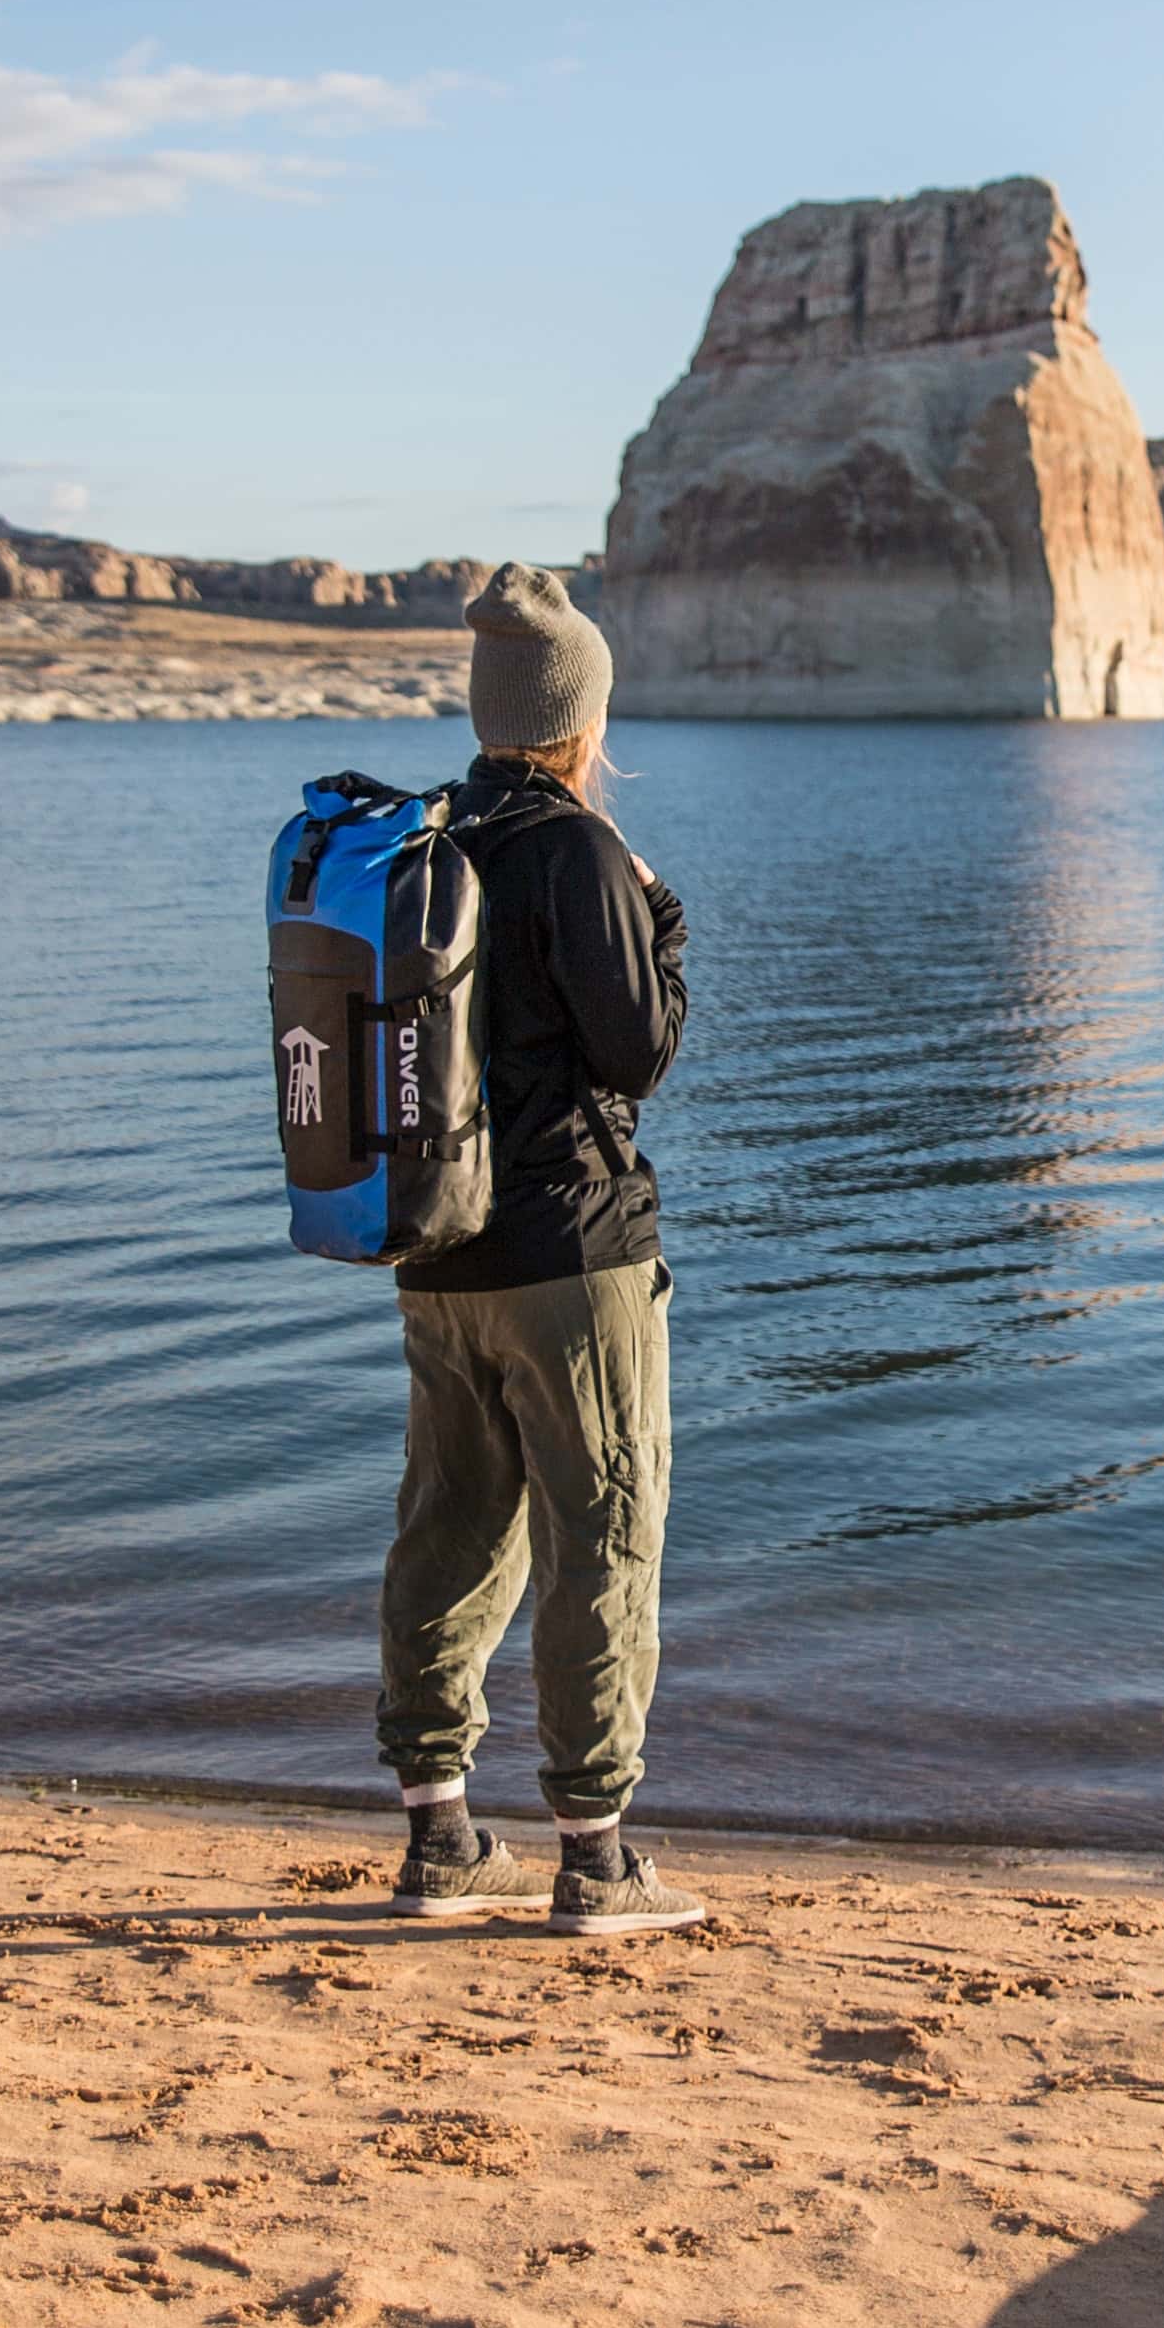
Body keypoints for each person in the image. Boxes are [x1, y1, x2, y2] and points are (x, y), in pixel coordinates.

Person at [378, 564, 702, 1936]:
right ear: (579, 717)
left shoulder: (421, 841)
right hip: (571, 1252)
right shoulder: (573, 850)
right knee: (604, 1537)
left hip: (435, 1254)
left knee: (449, 1529)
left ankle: (438, 1835)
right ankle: (595, 1855)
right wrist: (662, 916)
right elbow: (640, 1048)